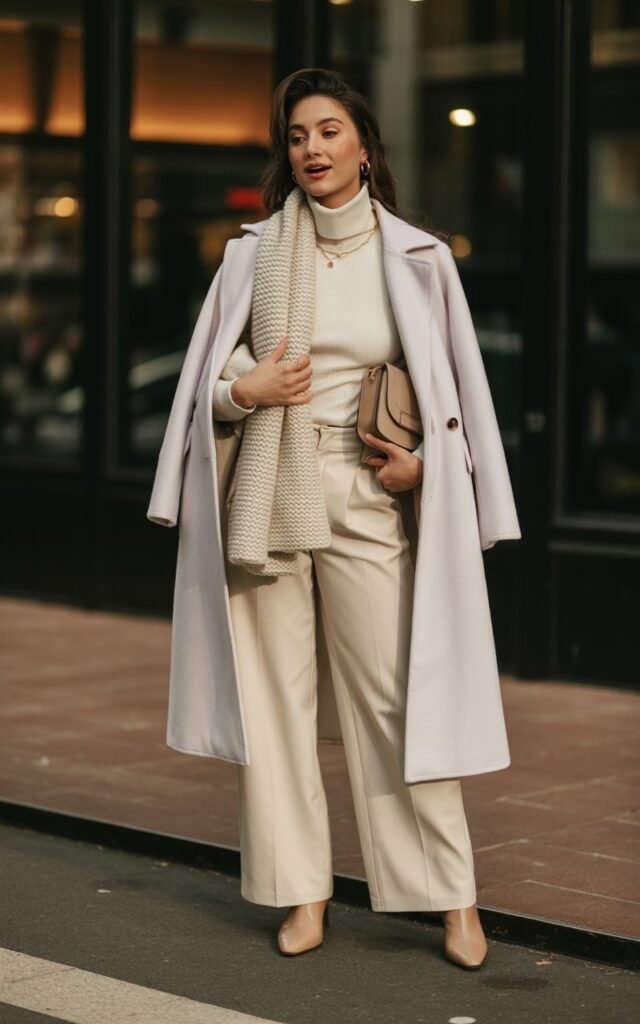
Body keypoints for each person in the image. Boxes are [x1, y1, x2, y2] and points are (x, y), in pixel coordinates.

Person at [147, 68, 521, 970]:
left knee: (395, 698)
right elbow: (208, 383)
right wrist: (247, 389)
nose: (310, 149)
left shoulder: (419, 257)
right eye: (296, 136)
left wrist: (425, 466)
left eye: (327, 131)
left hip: (365, 491)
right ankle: (302, 890)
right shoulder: (253, 254)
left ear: (362, 145)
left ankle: (450, 896)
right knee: (273, 702)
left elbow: (458, 395)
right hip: (265, 495)